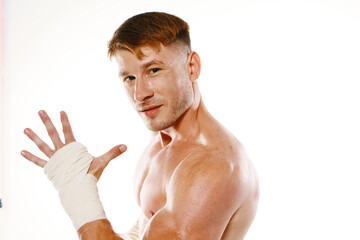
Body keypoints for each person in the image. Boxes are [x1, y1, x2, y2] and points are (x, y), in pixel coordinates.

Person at [21, 12, 259, 240]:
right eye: (129, 78)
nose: (140, 94)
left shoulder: (212, 166)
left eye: (153, 70)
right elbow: (149, 231)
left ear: (192, 67)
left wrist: (78, 194)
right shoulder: (162, 140)